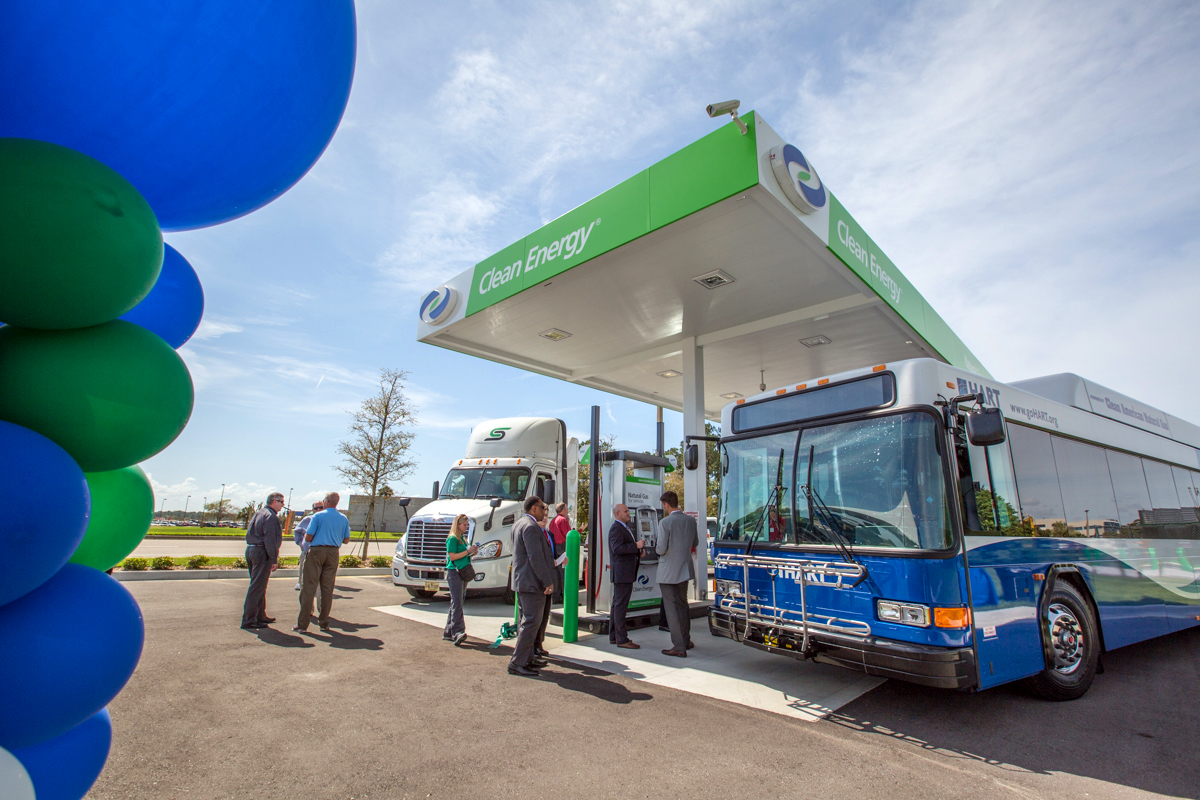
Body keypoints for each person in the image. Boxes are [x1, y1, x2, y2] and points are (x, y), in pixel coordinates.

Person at [508, 495, 555, 677]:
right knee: (530, 623)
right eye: (542, 508)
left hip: (524, 582)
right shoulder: (530, 527)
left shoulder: (519, 524)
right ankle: (517, 662)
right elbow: (535, 557)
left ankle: (527, 658)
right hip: (531, 583)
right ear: (534, 508)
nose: (544, 511)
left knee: (527, 623)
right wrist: (547, 581)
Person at [294, 492, 351, 633]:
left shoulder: (318, 516)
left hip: (317, 551)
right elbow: (346, 540)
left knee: (309, 587)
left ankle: (302, 624)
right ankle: (324, 622)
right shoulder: (343, 518)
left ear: (327, 502)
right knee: (327, 589)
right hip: (333, 553)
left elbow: (308, 537)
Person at [656, 491, 698, 657]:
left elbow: (661, 549)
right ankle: (686, 640)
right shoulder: (690, 520)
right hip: (684, 568)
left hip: (668, 571)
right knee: (683, 605)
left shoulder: (665, 522)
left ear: (666, 504)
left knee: (671, 608)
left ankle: (678, 647)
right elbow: (695, 542)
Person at [241, 492, 284, 629]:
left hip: (252, 549)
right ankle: (249, 620)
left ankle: (260, 615)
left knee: (259, 586)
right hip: (261, 552)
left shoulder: (259, 513)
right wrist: (273, 558)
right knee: (257, 587)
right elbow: (270, 539)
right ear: (274, 501)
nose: (283, 505)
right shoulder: (270, 516)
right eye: (281, 502)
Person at [607, 503, 644, 649]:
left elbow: (623, 547)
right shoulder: (616, 528)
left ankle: (614, 636)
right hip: (622, 573)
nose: (629, 513)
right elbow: (617, 548)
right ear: (618, 513)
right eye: (626, 511)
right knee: (620, 606)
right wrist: (636, 546)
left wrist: (637, 551)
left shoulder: (624, 528)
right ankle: (622, 639)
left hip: (624, 573)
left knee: (617, 605)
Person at [444, 513, 478, 645]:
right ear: (457, 525)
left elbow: (462, 555)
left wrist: (472, 552)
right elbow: (452, 556)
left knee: (457, 601)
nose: (466, 527)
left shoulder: (462, 539)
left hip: (462, 571)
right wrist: (468, 552)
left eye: (467, 525)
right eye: (464, 525)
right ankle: (457, 631)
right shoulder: (452, 539)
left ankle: (449, 631)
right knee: (457, 602)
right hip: (454, 572)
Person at [295, 501, 324, 591]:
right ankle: (300, 583)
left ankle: (317, 587)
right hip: (307, 550)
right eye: (316, 508)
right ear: (313, 509)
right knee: (303, 567)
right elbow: (297, 531)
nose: (318, 509)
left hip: (321, 550)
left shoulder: (326, 520)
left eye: (320, 507)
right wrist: (300, 543)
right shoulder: (307, 519)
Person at [547, 502, 572, 603]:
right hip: (562, 547)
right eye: (566, 509)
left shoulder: (553, 521)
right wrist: (579, 530)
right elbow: (569, 535)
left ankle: (556, 596)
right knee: (565, 573)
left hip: (554, 547)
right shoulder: (563, 520)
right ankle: (566, 596)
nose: (567, 511)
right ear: (563, 510)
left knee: (556, 573)